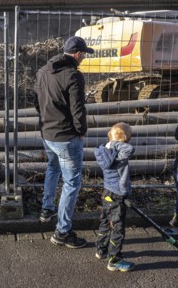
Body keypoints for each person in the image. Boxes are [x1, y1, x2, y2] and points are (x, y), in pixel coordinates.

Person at [33, 35, 94, 249]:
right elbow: (78, 109)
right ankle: (62, 231)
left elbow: (36, 103)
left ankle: (46, 208)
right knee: (72, 183)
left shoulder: (42, 72)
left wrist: (46, 121)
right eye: (84, 54)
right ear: (77, 54)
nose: (84, 58)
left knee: (52, 168)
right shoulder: (73, 75)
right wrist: (81, 131)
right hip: (67, 137)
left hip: (47, 133)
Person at [94, 122, 136, 272]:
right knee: (118, 227)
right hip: (117, 194)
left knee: (105, 222)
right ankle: (114, 259)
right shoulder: (119, 153)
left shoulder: (104, 151)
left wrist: (111, 143)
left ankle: (101, 249)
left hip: (107, 192)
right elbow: (131, 149)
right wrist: (117, 143)